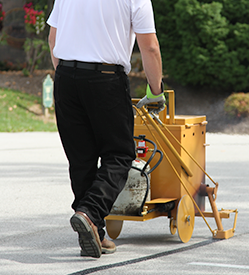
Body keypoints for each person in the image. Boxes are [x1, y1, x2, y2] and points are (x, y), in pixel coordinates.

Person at [47, 0, 165, 258]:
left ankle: (95, 232)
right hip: (105, 79)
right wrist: (156, 92)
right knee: (120, 154)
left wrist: (68, 79)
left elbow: (53, 39)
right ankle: (89, 212)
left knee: (81, 158)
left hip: (66, 76)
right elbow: (150, 47)